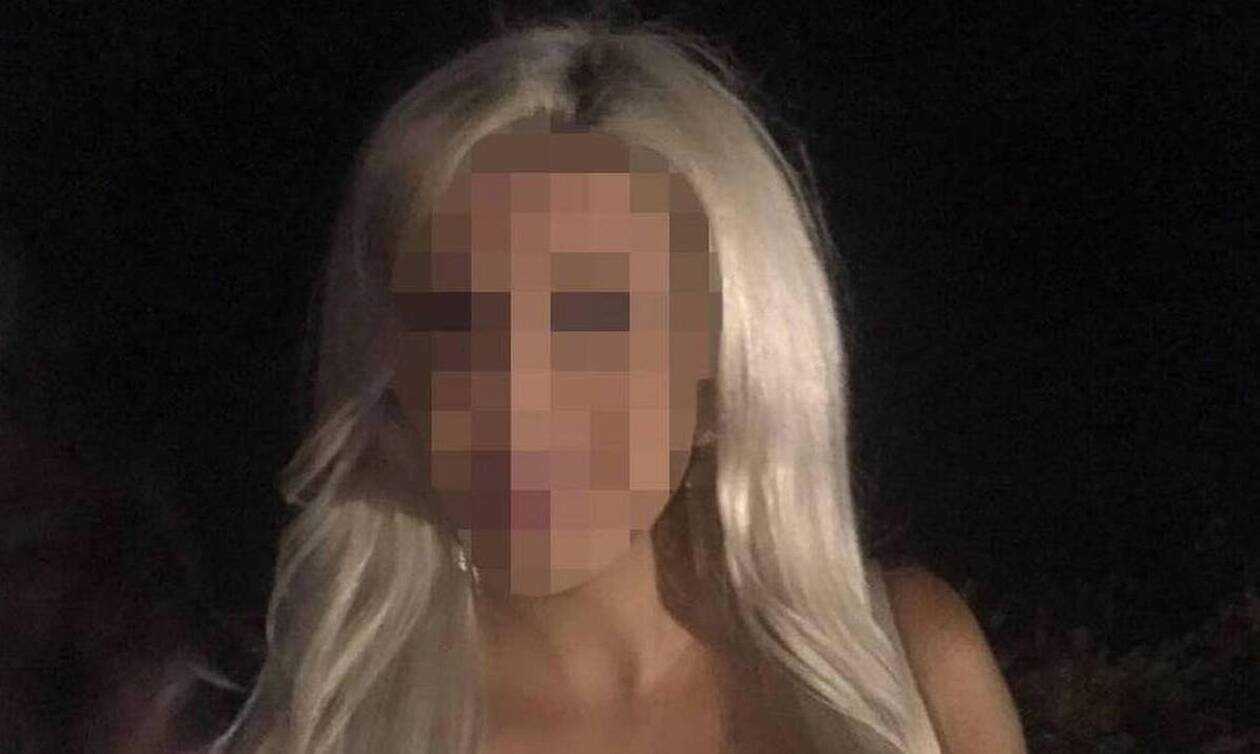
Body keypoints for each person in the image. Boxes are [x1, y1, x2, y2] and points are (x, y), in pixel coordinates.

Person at [210, 12, 1026, 754]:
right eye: (460, 321)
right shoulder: (319, 735)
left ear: (725, 365)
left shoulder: (911, 674)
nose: (521, 398)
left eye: (597, 322)